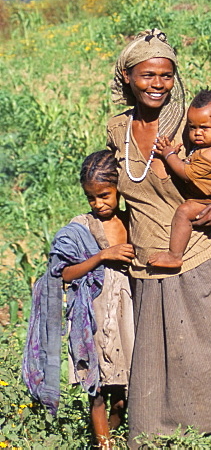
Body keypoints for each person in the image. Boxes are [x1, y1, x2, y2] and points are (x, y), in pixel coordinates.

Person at [105, 29, 211, 447]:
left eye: (166, 76)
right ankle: (154, 434)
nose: (157, 84)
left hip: (196, 253)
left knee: (203, 353)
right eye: (148, 75)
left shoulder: (191, 125)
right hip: (146, 256)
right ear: (128, 77)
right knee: (154, 359)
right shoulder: (118, 129)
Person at [22, 150, 136, 449]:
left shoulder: (132, 221)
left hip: (126, 313)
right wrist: (102, 256)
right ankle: (103, 444)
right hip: (91, 314)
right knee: (95, 387)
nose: (98, 204)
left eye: (105, 195)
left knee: (124, 388)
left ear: (119, 189)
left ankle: (111, 436)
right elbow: (64, 273)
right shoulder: (80, 227)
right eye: (91, 198)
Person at [149, 89, 211, 270]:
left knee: (184, 211)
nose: (197, 133)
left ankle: (174, 255)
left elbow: (185, 173)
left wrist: (169, 154)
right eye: (192, 127)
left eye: (204, 128)